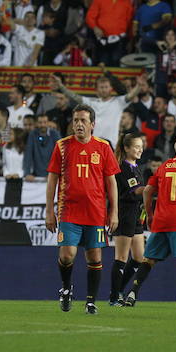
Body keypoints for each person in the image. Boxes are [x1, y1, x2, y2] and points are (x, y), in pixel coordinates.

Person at [45, 104, 119, 314]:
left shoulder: (104, 147)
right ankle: (66, 288)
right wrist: (49, 210)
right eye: (76, 120)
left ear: (92, 125)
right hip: (69, 210)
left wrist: (114, 212)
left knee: (94, 257)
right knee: (67, 254)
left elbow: (111, 182)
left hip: (96, 212)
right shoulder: (61, 146)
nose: (78, 124)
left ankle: (90, 301)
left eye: (83, 121)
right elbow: (52, 180)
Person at [123, 135, 176, 308]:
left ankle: (132, 294)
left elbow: (147, 191)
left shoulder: (163, 166)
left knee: (149, 259)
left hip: (160, 220)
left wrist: (150, 214)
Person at [109, 133, 146, 305]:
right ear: (126, 148)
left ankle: (119, 291)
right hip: (124, 215)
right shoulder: (122, 168)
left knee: (139, 257)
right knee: (121, 257)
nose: (140, 149)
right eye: (137, 146)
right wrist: (155, 187)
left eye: (141, 146)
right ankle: (114, 296)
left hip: (137, 216)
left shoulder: (136, 167)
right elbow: (137, 191)